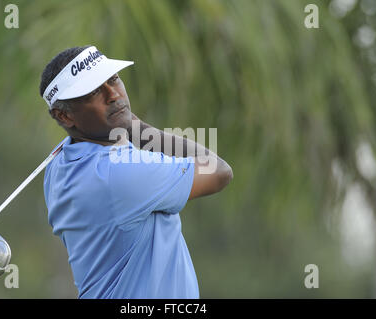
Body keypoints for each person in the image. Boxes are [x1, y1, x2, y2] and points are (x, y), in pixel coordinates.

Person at [39, 45, 233, 298]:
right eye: (94, 91)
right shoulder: (120, 173)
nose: (114, 95)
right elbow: (218, 171)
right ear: (64, 116)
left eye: (114, 79)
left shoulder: (58, 165)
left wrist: (122, 125)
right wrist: (134, 126)